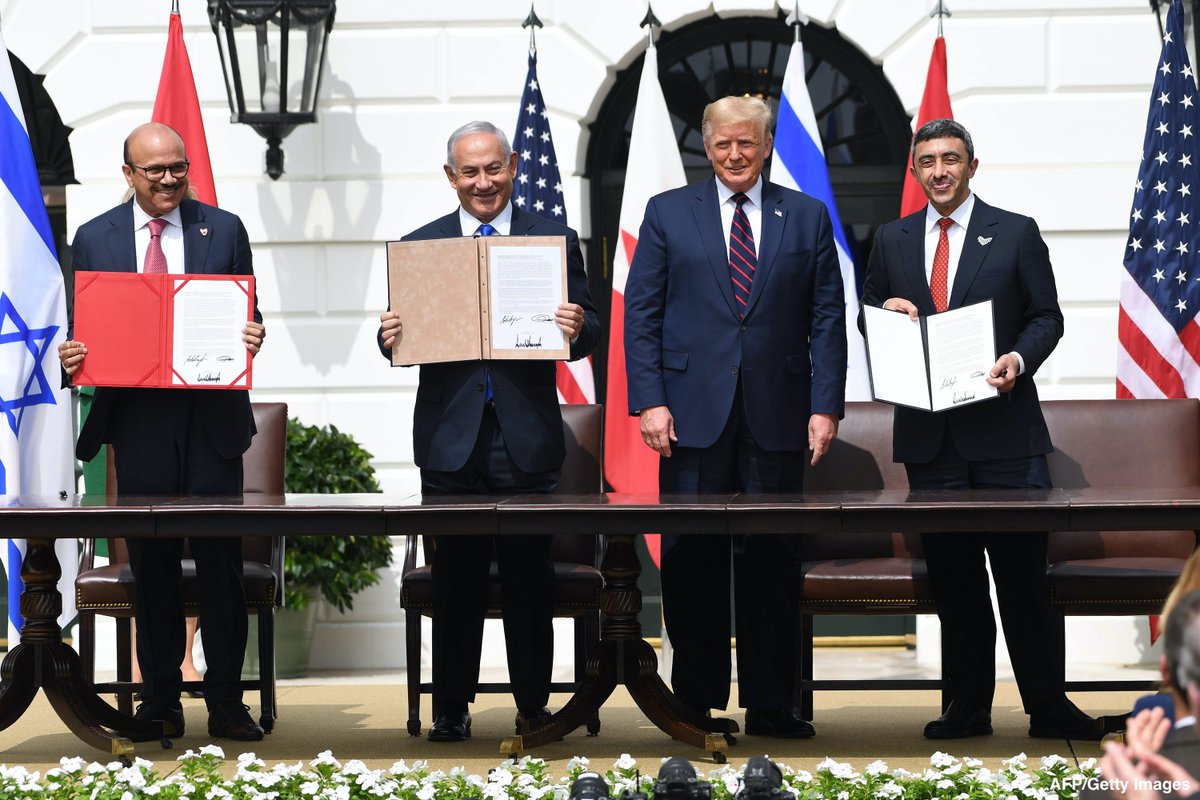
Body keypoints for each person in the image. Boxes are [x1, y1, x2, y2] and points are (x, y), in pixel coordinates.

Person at [859, 117, 1100, 740]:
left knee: (1023, 580)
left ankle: (1048, 707)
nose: (939, 171)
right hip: (930, 440)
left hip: (1006, 436)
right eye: (928, 161)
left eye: (951, 159)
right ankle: (967, 708)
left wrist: (1018, 358)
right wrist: (884, 312)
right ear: (915, 171)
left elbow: (1047, 317)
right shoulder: (890, 239)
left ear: (972, 165)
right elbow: (868, 317)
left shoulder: (1015, 232)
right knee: (956, 582)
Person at [623, 95, 847, 738]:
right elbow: (642, 313)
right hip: (689, 417)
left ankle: (773, 704)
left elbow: (828, 317)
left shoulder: (805, 215)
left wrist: (825, 405)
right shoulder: (668, 212)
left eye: (746, 143)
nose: (734, 155)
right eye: (723, 144)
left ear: (767, 145)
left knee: (771, 560)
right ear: (707, 146)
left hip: (778, 414)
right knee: (691, 561)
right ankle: (695, 702)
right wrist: (650, 399)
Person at [377, 120, 600, 743]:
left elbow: (589, 331)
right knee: (456, 581)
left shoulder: (552, 239)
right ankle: (452, 707)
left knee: (531, 579)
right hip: (450, 440)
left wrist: (577, 325)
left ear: (514, 166)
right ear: (451, 176)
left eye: (494, 168)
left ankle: (534, 707)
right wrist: (389, 338)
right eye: (470, 172)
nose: (483, 182)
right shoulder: (420, 247)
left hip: (526, 437)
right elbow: (399, 340)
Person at [58, 122, 266, 742]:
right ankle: (159, 701)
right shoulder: (94, 237)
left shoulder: (222, 229)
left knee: (220, 563)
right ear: (129, 174)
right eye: (155, 170)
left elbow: (247, 311)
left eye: (178, 167)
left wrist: (252, 332)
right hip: (138, 421)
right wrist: (72, 355)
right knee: (151, 566)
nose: (169, 179)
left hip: (211, 420)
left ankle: (226, 701)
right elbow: (78, 326)